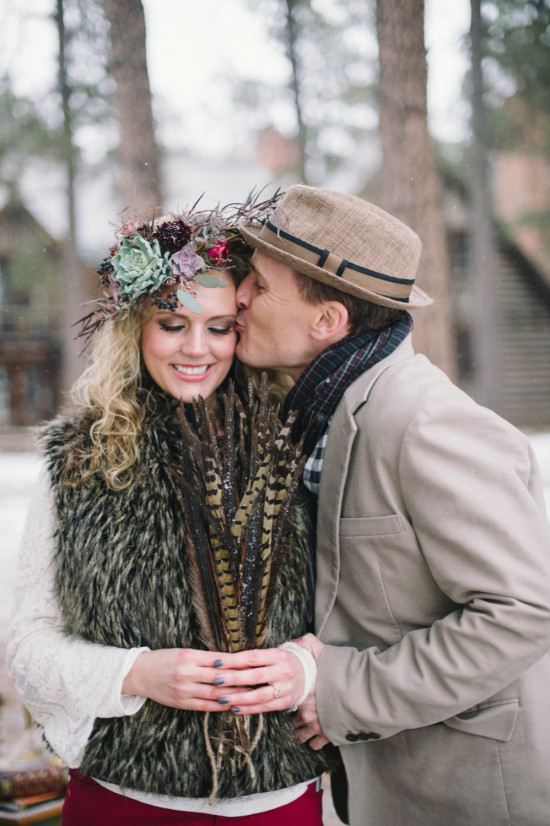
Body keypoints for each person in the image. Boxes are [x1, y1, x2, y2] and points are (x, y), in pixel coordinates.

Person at [205, 185, 550, 826]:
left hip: (465, 797)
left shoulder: (428, 425)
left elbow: (523, 611)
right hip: (383, 788)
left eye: (259, 283)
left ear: (328, 322)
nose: (239, 297)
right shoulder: (324, 407)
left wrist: (335, 690)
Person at [6, 195, 336, 826]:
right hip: (125, 800)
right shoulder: (79, 459)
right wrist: (137, 673)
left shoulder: (297, 443)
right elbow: (28, 645)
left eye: (219, 327)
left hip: (278, 800)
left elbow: (360, 608)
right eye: (172, 324)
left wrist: (301, 664)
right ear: (136, 328)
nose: (197, 349)